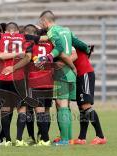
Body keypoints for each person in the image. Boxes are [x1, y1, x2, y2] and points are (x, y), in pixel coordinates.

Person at [38, 10, 91, 145]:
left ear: (45, 21)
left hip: (61, 73)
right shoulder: (66, 30)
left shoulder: (52, 32)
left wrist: (48, 57)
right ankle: (66, 138)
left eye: (40, 22)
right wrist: (87, 49)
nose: (41, 25)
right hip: (71, 73)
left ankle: (65, 140)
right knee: (65, 105)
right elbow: (78, 43)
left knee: (61, 104)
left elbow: (59, 47)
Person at [24, 24, 53, 146]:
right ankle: (43, 138)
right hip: (49, 82)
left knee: (39, 112)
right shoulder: (50, 44)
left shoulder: (31, 44)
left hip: (36, 82)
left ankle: (45, 140)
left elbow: (28, 59)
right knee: (46, 111)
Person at [73, 47, 107, 145]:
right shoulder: (66, 41)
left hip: (84, 74)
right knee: (81, 108)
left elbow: (83, 46)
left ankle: (101, 136)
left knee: (86, 105)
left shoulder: (68, 40)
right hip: (79, 75)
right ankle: (82, 138)